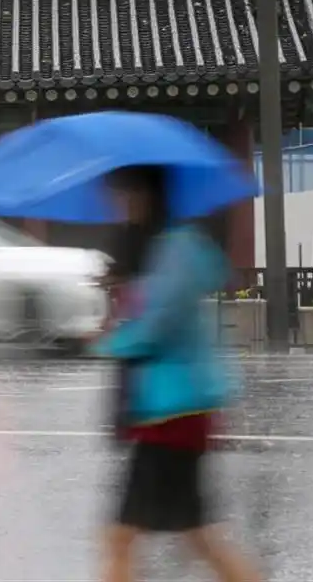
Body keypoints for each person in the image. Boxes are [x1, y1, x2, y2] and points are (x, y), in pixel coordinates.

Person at [89, 165, 262, 582]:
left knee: (123, 536)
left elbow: (157, 326)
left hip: (173, 412)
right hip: (172, 410)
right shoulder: (163, 251)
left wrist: (107, 340)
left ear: (146, 195)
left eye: (124, 196)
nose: (118, 205)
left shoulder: (174, 252)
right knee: (196, 535)